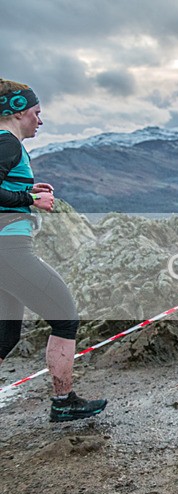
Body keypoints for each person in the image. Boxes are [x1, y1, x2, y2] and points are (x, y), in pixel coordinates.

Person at [0, 79, 107, 422]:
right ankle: (64, 401)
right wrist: (30, 199)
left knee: (5, 335)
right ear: (17, 112)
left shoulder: (7, 145)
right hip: (9, 250)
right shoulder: (6, 144)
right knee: (66, 316)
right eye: (36, 112)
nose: (40, 121)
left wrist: (26, 187)